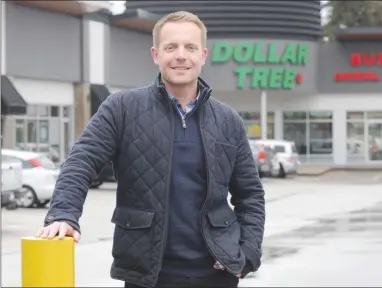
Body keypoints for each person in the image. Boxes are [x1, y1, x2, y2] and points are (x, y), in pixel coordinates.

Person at [36, 11, 265, 288]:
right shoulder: (121, 108)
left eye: (190, 47)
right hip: (147, 277)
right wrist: (63, 213)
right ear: (156, 54)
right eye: (171, 47)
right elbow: (81, 161)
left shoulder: (228, 120)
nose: (181, 55)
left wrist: (249, 254)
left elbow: (250, 195)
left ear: (203, 55)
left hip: (218, 274)